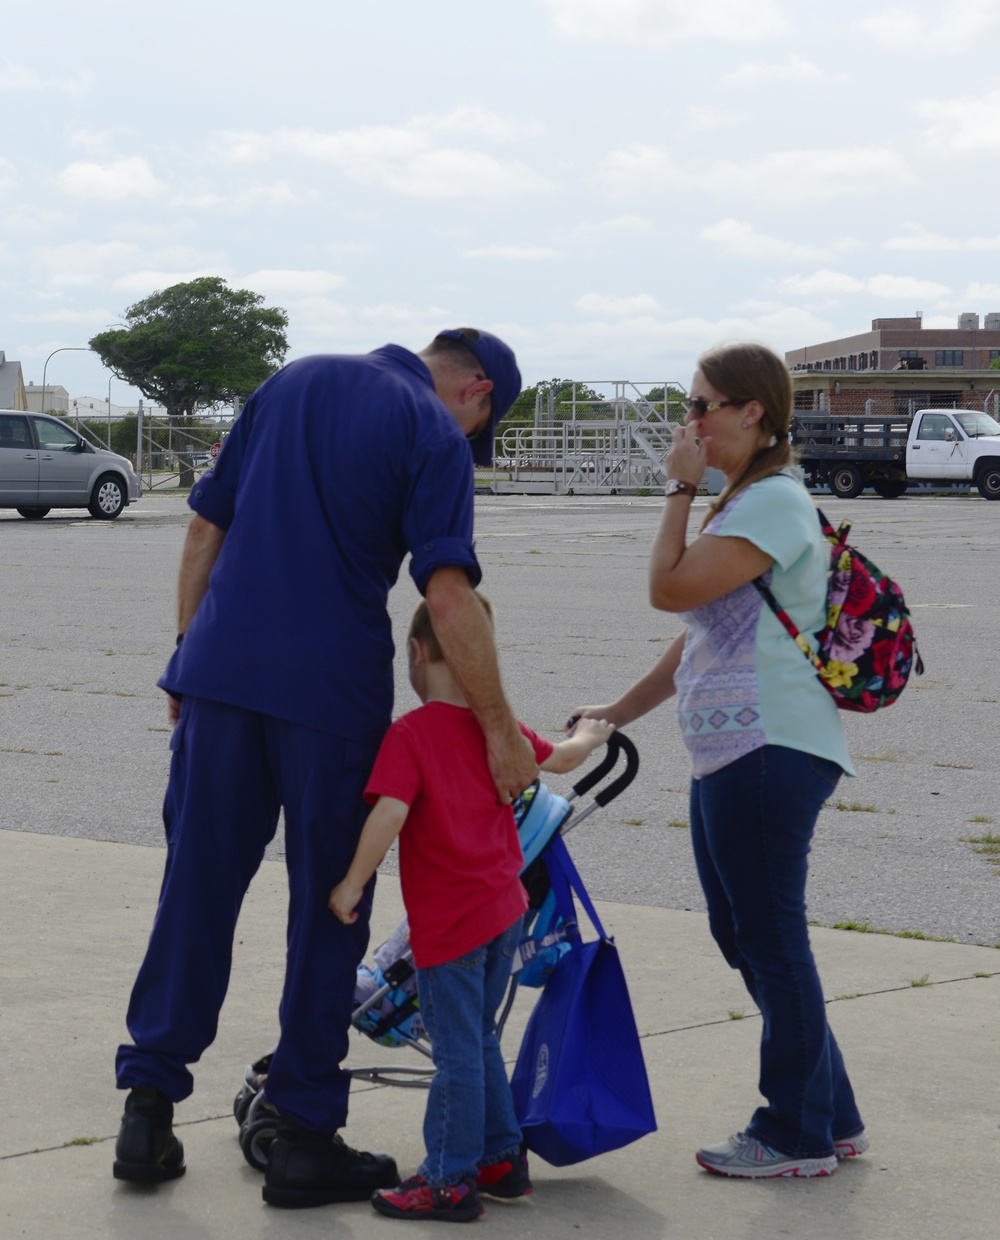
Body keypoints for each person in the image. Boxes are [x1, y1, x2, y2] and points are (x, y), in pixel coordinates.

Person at [113, 328, 540, 1209]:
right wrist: (499, 730)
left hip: (220, 682)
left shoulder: (290, 380)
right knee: (331, 906)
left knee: (195, 887)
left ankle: (147, 1111)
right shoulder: (431, 432)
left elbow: (204, 524)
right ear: (478, 394)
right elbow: (447, 592)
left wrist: (189, 655)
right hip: (331, 699)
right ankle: (304, 1134)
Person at [574, 341, 867, 1179]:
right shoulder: (743, 502)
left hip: (771, 747)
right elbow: (699, 627)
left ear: (755, 413)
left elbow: (667, 587)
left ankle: (793, 1134)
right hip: (732, 751)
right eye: (689, 403)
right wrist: (619, 710)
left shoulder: (773, 501)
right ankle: (831, 1115)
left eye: (704, 404)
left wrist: (676, 487)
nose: (689, 420)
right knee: (745, 935)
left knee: (770, 939)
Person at [329, 594, 614, 1222]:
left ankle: (448, 1178)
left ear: (417, 652)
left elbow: (391, 813)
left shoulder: (410, 735)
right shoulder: (498, 731)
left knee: (456, 1050)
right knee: (479, 1038)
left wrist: (352, 884)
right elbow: (563, 759)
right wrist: (591, 734)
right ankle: (500, 1157)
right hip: (504, 911)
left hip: (451, 925)